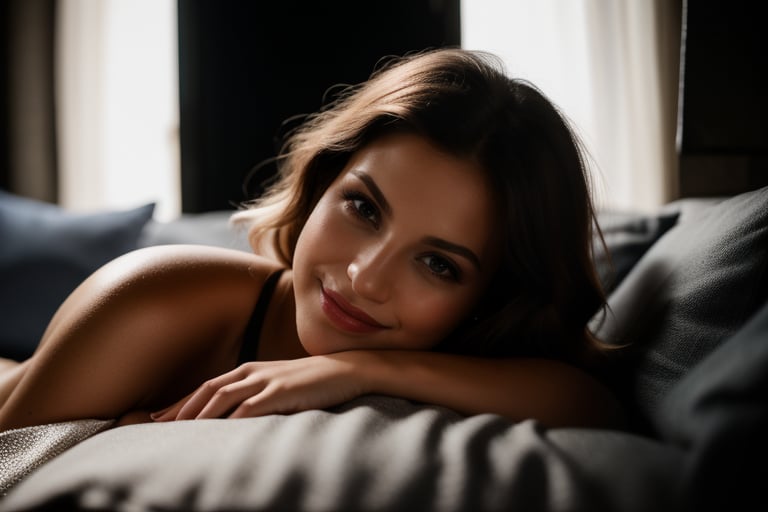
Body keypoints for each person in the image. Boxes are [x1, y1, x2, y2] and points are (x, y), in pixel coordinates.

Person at [0, 48, 624, 432]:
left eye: (437, 263)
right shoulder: (156, 296)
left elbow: (593, 406)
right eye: (363, 207)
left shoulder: (476, 359)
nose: (364, 278)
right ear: (322, 183)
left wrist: (356, 369)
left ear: (492, 294)